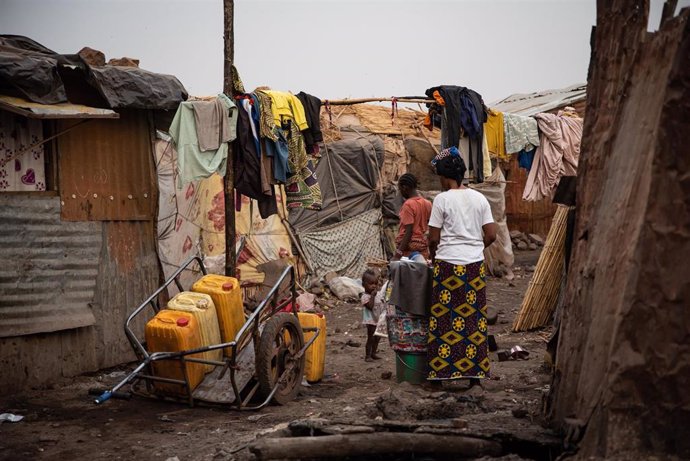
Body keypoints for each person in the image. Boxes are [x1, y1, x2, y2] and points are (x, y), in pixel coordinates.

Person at [426, 147, 497, 388]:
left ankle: (441, 376)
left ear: (446, 177)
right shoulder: (479, 198)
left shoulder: (442, 199)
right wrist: (476, 247)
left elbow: (433, 237)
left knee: (444, 320)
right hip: (474, 267)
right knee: (473, 320)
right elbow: (492, 234)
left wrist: (434, 256)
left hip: (447, 266)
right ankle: (474, 377)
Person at [393, 173, 433, 261]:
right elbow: (431, 227)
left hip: (409, 249)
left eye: (400, 189)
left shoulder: (408, 205)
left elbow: (409, 232)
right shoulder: (428, 203)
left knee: (408, 273)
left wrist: (398, 254)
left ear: (405, 188)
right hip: (422, 247)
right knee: (421, 272)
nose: (400, 192)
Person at [361, 268, 384, 362]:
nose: (374, 286)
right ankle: (367, 356)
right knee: (371, 338)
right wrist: (373, 296)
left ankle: (374, 353)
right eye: (371, 284)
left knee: (378, 337)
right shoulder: (365, 296)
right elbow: (370, 306)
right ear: (364, 285)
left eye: (375, 283)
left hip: (378, 319)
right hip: (371, 321)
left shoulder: (377, 293)